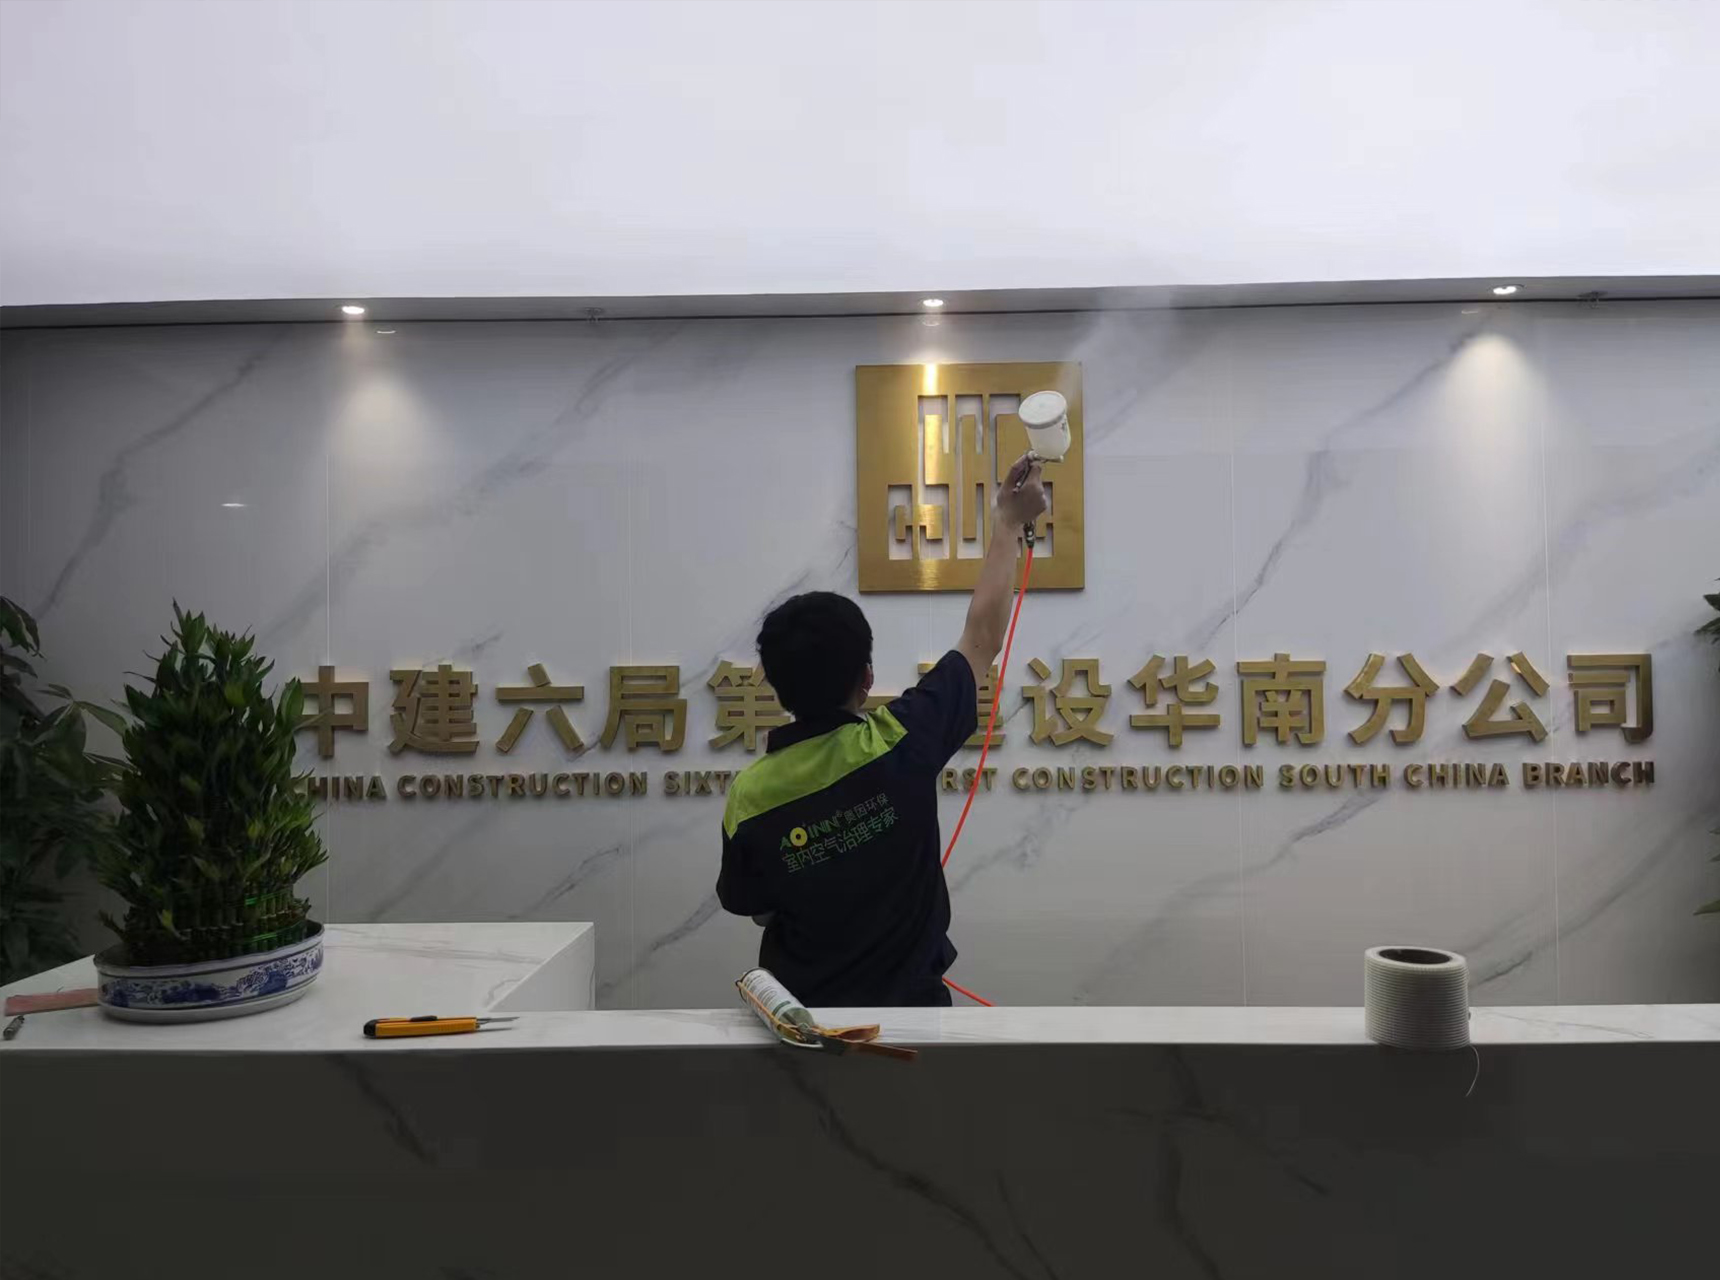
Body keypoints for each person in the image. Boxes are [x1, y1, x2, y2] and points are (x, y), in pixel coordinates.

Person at [717, 455, 1048, 1006]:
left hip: (806, 1029)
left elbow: (755, 906)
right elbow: (982, 637)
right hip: (917, 1025)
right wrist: (1008, 521)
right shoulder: (901, 740)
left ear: (775, 687)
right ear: (866, 677)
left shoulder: (749, 797)